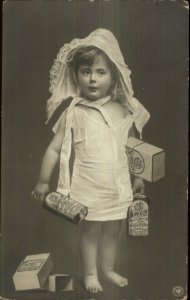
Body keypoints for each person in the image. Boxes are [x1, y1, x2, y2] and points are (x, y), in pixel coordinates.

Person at [31, 28, 150, 293]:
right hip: (89, 186)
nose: (93, 80)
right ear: (76, 75)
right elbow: (53, 149)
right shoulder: (74, 112)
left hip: (118, 185)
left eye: (100, 72)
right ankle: (91, 273)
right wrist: (42, 181)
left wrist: (139, 178)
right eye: (86, 72)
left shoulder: (122, 109)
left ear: (113, 76)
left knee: (113, 231)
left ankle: (107, 269)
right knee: (92, 231)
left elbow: (134, 148)